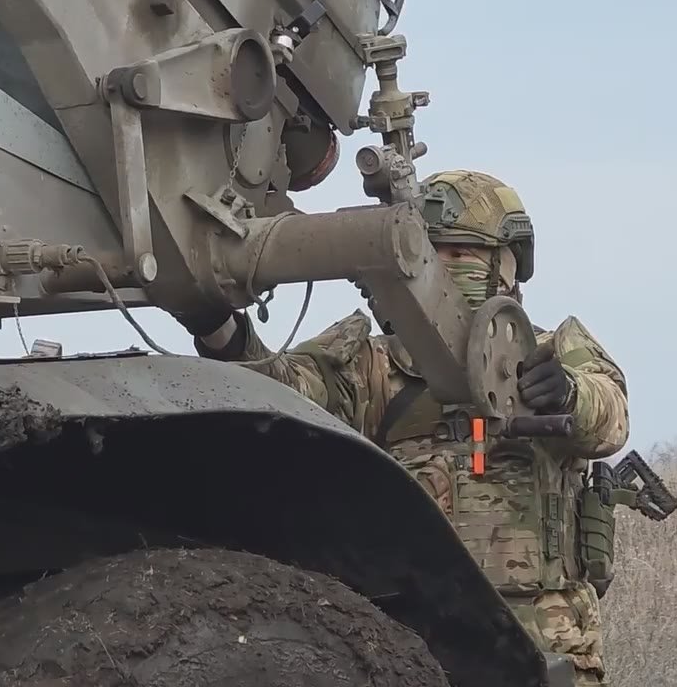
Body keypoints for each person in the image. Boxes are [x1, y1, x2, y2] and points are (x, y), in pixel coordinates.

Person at [192, 169, 629, 686]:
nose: (444, 270)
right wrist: (220, 330)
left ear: (507, 265)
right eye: (433, 254)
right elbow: (284, 389)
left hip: (545, 635)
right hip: (414, 638)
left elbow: (611, 418)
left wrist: (568, 393)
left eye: (461, 253)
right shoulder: (374, 363)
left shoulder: (552, 351)